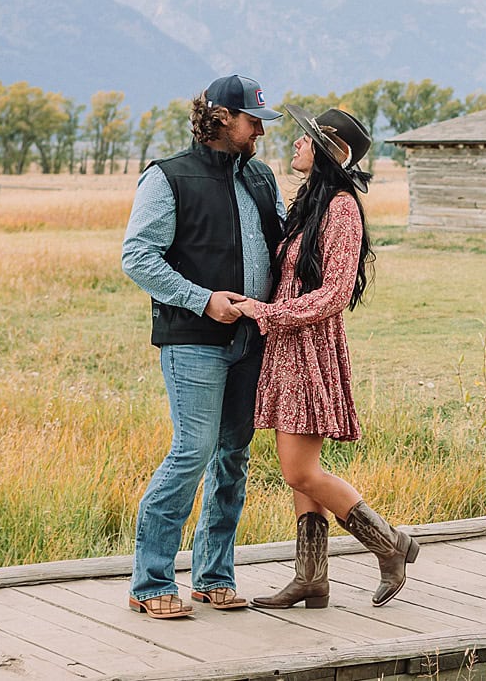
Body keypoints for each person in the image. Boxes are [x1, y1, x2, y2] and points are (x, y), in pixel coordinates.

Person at [235, 104, 420, 609]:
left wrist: (265, 312)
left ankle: (391, 544)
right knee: (301, 467)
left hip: (308, 348)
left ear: (328, 153)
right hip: (288, 346)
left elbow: (336, 292)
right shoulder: (310, 204)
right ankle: (312, 578)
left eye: (306, 138)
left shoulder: (340, 206)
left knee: (299, 472)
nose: (296, 143)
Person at [121, 74, 286, 620]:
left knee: (233, 456)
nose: (261, 129)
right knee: (192, 452)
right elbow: (138, 257)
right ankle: (150, 582)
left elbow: (281, 247)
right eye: (252, 119)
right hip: (194, 338)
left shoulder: (261, 178)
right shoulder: (167, 178)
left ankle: (214, 575)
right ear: (220, 118)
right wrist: (203, 299)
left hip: (252, 340)